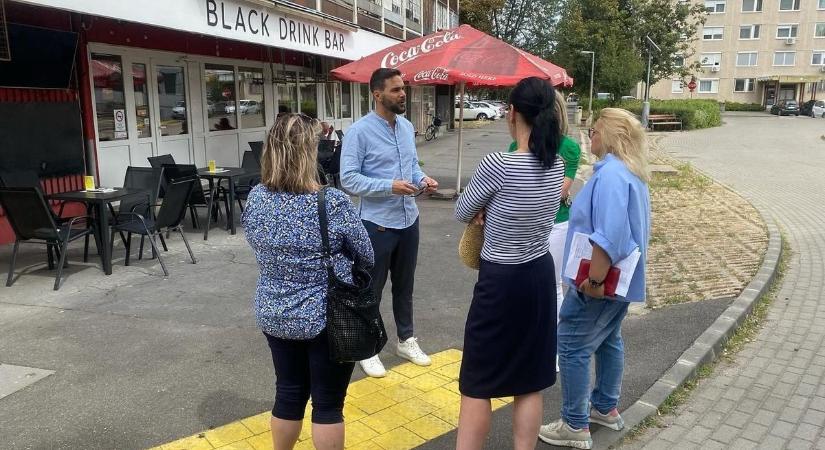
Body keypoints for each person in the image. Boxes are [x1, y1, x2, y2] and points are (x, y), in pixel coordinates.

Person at [242, 113, 374, 450]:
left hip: (274, 312)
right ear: (308, 152)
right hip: (327, 316)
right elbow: (366, 255)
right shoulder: (331, 202)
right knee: (328, 405)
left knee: (288, 392)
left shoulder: (256, 197)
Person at [454, 77, 565, 450]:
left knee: (477, 380)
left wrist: (487, 208)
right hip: (538, 275)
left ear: (512, 113)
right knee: (529, 379)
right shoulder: (557, 165)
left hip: (500, 280)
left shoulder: (499, 164)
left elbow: (462, 209)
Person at [538, 108, 651, 450]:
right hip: (622, 282)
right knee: (608, 339)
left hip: (600, 283)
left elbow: (611, 235)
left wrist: (596, 281)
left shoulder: (612, 175)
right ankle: (605, 407)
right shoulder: (631, 173)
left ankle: (574, 424)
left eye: (596, 131)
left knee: (571, 345)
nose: (590, 137)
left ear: (612, 135)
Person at [340, 68, 439, 378]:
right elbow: (348, 179)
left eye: (403, 88)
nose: (402, 94)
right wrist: (389, 186)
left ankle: (405, 339)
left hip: (409, 219)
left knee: (405, 286)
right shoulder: (359, 131)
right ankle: (367, 348)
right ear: (377, 94)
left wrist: (422, 178)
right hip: (376, 223)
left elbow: (409, 167)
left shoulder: (407, 127)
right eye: (396, 89)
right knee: (371, 288)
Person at [509, 91, 582, 371]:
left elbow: (559, 193)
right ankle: (527, 342)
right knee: (523, 287)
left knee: (552, 288)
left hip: (556, 225)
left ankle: (553, 349)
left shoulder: (568, 148)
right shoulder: (516, 143)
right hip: (526, 225)